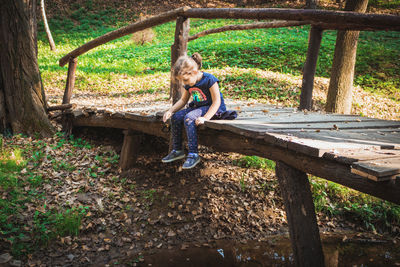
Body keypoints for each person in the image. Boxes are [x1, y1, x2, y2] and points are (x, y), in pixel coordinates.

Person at [162, 52, 227, 169]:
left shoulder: (209, 80)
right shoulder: (188, 83)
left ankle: (193, 154)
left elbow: (216, 102)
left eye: (185, 80)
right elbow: (183, 100)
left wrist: (205, 118)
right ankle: (177, 150)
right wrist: (170, 111)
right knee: (176, 117)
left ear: (195, 72)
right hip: (198, 108)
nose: (184, 83)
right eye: (182, 81)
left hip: (213, 108)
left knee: (189, 117)